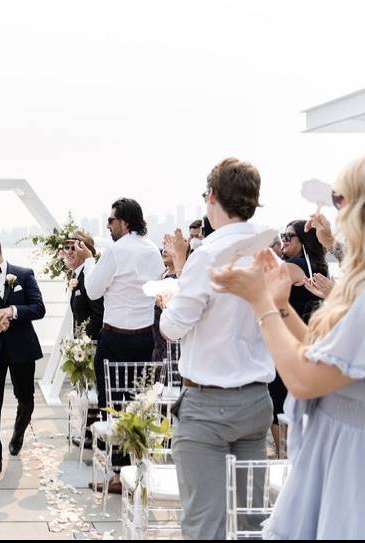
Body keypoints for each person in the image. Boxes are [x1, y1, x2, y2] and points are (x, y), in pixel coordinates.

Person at [209, 155, 365, 539]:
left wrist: (260, 302)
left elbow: (304, 379)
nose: (332, 213)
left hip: (350, 470)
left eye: (339, 200)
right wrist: (279, 303)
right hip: (333, 461)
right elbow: (324, 353)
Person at [160, 158, 274, 539]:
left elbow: (173, 328)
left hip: (207, 406)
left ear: (212, 198)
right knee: (252, 522)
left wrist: (169, 301)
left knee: (203, 523)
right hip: (256, 401)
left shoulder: (207, 256)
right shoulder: (267, 253)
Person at [75, 197, 164, 493]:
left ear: (124, 222)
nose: (108, 225)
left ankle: (117, 474)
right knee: (140, 403)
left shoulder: (115, 249)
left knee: (111, 406)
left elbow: (92, 290)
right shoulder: (153, 250)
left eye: (111, 220)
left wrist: (89, 261)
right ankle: (137, 469)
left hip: (115, 338)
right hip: (145, 338)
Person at [0, 232, 47, 482]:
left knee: (26, 397)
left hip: (22, 348)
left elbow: (38, 308)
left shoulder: (24, 275)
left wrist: (12, 311)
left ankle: (18, 432)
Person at [269, 220, 328, 456]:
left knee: (278, 401)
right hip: (310, 342)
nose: (283, 239)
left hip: (289, 344)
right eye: (282, 234)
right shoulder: (319, 267)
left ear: (303, 241)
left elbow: (267, 284)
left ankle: (285, 454)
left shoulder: (295, 265)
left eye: (288, 236)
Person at [61, 229, 103, 449]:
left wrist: (89, 342)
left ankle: (91, 434)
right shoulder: (78, 274)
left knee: (91, 391)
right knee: (85, 390)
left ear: (85, 248)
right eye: (65, 247)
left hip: (92, 345)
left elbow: (98, 312)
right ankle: (88, 432)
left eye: (73, 247)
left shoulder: (88, 275)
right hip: (82, 344)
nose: (67, 251)